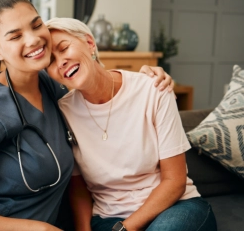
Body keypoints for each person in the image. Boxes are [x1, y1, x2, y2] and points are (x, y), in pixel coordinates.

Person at [0, 0, 173, 231]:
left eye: (36, 25)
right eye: (15, 36)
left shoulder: (53, 85)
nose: (33, 40)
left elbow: (97, 79)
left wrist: (144, 77)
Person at [45, 17, 217, 231]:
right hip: (108, 218)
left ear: (90, 44)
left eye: (64, 48)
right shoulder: (62, 112)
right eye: (50, 61)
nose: (60, 61)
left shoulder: (153, 89)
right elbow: (78, 186)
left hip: (175, 209)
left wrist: (125, 228)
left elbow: (175, 181)